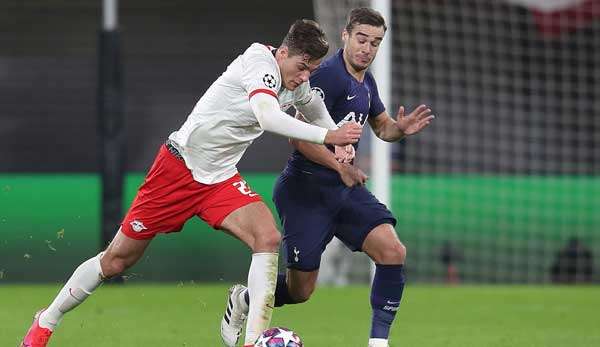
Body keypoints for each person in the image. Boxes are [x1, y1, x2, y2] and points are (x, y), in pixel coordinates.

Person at [20, 19, 364, 347]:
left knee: (268, 237)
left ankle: (254, 339)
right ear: (283, 53)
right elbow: (267, 116)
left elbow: (313, 104)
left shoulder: (297, 82)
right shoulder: (258, 61)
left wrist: (339, 141)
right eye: (301, 67)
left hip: (220, 179)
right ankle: (46, 321)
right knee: (116, 261)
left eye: (312, 71)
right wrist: (329, 134)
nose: (303, 77)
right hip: (177, 170)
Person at [221, 8, 434, 347]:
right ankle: (245, 299)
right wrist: (340, 167)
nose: (367, 48)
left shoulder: (366, 81)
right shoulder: (326, 76)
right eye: (362, 39)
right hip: (307, 190)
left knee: (393, 251)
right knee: (301, 290)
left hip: (346, 189)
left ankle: (378, 342)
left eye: (375, 43)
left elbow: (381, 127)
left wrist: (400, 129)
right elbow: (298, 138)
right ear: (346, 36)